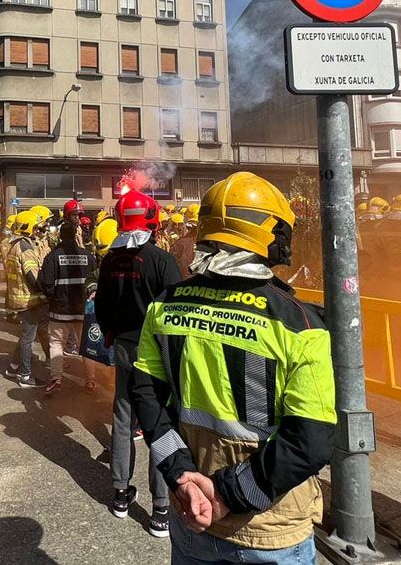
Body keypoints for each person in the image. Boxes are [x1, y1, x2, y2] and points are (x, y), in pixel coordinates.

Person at [128, 173, 337, 563]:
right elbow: (311, 440)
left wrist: (182, 476)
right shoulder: (300, 323)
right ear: (273, 234)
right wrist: (227, 494)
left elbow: (148, 401)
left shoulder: (164, 306)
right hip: (270, 526)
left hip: (191, 511)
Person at [96, 189, 181, 537]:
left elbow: (100, 307)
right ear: (153, 220)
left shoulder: (109, 260)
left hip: (124, 347)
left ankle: (119, 493)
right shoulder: (162, 261)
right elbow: (177, 312)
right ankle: (161, 508)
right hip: (156, 351)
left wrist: (112, 335)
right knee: (158, 420)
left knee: (122, 416)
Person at [40, 222, 95, 395]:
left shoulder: (52, 257)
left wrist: (52, 297)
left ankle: (56, 379)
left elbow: (47, 284)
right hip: (82, 309)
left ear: (61, 236)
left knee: (56, 343)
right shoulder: (88, 255)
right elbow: (94, 280)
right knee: (85, 346)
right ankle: (91, 381)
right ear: (75, 235)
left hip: (60, 309)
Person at [4, 212, 46, 388]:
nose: (37, 230)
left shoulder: (15, 244)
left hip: (19, 297)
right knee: (29, 339)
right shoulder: (25, 247)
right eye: (35, 227)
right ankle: (25, 375)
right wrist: (46, 291)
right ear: (28, 228)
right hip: (28, 299)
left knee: (25, 336)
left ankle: (13, 367)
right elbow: (32, 277)